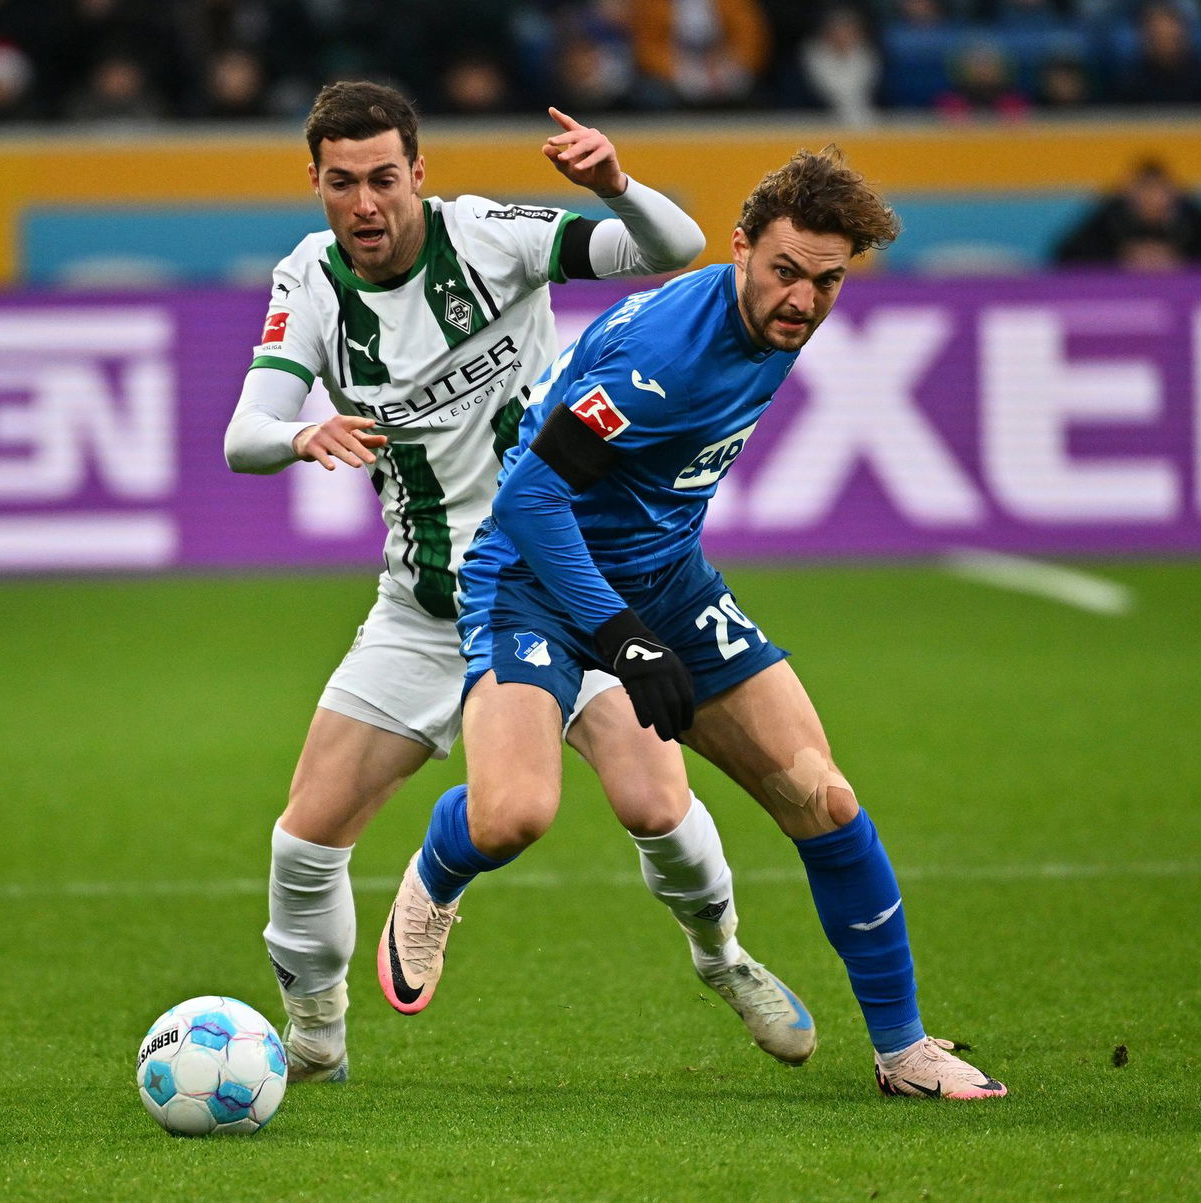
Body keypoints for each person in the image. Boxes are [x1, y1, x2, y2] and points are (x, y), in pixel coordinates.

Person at [377, 145, 1009, 1100]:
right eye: (786, 272)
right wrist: (620, 635)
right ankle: (436, 869)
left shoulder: (772, 326)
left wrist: (646, 613)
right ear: (742, 246)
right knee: (514, 814)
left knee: (821, 797)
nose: (802, 300)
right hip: (533, 579)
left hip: (668, 581)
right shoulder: (669, 352)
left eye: (827, 282)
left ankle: (905, 1050)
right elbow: (534, 496)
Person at [224, 80, 818, 1085]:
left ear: (418, 173)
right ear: (316, 183)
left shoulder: (491, 236)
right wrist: (298, 434)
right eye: (340, 183)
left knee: (656, 806)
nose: (363, 204)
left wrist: (618, 184)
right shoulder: (311, 284)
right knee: (305, 839)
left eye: (381, 179)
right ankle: (315, 1034)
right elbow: (243, 436)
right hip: (421, 610)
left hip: (553, 584)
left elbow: (670, 248)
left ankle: (722, 958)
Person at [1053, 157, 1201, 270]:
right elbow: (1063, 253)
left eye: (1159, 191)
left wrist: (1180, 257)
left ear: (1172, 192)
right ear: (1130, 193)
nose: (1152, 199)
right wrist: (1121, 257)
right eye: (1145, 190)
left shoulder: (1188, 214)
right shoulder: (1111, 213)